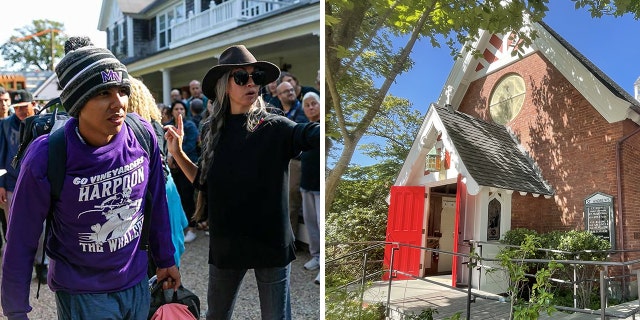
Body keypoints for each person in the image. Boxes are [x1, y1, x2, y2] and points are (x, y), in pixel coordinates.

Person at [0, 36, 181, 319]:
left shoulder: (142, 135)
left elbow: (155, 202)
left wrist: (166, 259)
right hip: (83, 294)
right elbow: (21, 238)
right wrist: (15, 309)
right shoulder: (47, 155)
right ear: (78, 102)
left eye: (122, 90)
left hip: (137, 284)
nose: (118, 103)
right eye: (102, 94)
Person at [165, 44, 319, 320]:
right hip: (228, 241)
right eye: (241, 77)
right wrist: (177, 152)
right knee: (217, 315)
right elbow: (205, 182)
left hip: (271, 241)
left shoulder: (275, 126)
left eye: (256, 77)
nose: (251, 83)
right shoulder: (213, 130)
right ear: (225, 85)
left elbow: (309, 134)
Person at [128, 77, 189, 271]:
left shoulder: (144, 128)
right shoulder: (155, 124)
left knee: (161, 254)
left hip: (158, 191)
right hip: (167, 189)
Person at [0, 89, 43, 281]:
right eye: (16, 108)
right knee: (14, 229)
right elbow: (1, 154)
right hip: (11, 184)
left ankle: (42, 265)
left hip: (38, 184)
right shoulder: (5, 124)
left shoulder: (44, 122)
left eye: (24, 107)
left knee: (41, 228)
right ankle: (20, 269)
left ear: (33, 104)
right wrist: (0, 183)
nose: (20, 111)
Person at [277, 81, 308, 240]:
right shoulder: (280, 113)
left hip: (296, 161)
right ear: (279, 95)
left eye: (291, 90)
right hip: (282, 161)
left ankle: (290, 238)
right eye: (286, 91)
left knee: (291, 200)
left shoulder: (303, 110)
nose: (290, 93)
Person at [167, 100, 200, 243]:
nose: (179, 111)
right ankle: (181, 227)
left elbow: (190, 146)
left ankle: (192, 228)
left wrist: (174, 158)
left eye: (182, 108)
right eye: (176, 108)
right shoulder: (168, 125)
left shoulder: (190, 126)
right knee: (177, 198)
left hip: (187, 167)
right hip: (173, 170)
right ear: (172, 111)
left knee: (188, 198)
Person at [300, 92, 321, 285]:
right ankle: (316, 256)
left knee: (321, 224)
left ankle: (325, 265)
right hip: (306, 184)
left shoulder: (323, 128)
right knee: (311, 223)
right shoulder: (303, 128)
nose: (311, 107)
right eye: (307, 105)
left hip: (320, 186)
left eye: (314, 103)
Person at [0, 86, 11, 250]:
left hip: (9, 182)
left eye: (6, 101)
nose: (3, 104)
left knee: (8, 221)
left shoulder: (16, 123)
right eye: (0, 101)